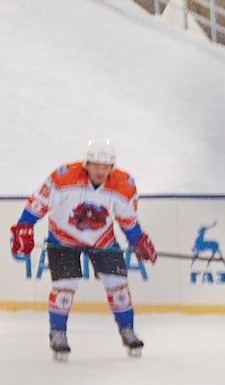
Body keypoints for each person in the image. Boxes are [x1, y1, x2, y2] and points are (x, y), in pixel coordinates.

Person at [12, 138, 159, 361]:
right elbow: (37, 204)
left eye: (106, 166)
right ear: (86, 164)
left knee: (118, 284)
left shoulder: (123, 184)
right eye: (96, 165)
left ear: (112, 166)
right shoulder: (63, 177)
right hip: (62, 239)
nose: (101, 171)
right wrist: (24, 226)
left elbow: (127, 220)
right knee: (65, 287)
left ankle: (127, 330)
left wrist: (139, 241)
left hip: (102, 241)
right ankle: (58, 333)